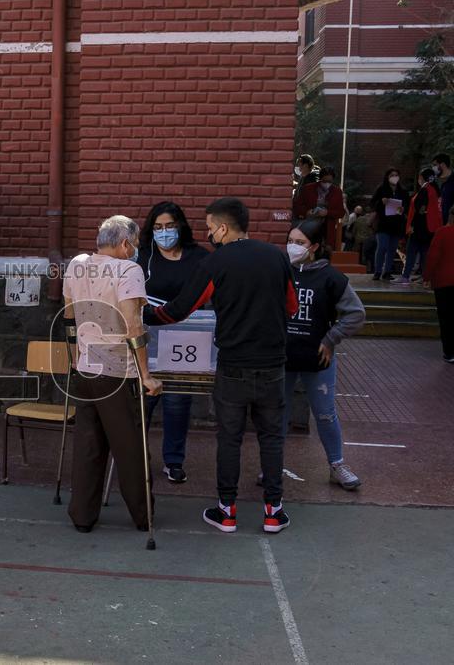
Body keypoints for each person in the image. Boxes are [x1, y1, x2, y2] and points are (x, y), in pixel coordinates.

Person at [146, 198, 299, 534]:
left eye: (210, 226)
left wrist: (143, 314)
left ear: (223, 227)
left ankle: (226, 511)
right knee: (272, 437)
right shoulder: (277, 257)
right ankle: (274, 511)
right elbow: (291, 306)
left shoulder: (216, 263)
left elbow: (180, 309)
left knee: (229, 438)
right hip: (273, 365)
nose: (208, 232)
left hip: (232, 366)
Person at [63, 215, 163, 534]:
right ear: (124, 244)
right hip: (118, 370)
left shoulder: (77, 264)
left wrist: (76, 356)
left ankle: (82, 515)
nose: (135, 250)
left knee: (88, 445)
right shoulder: (129, 269)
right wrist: (146, 374)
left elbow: (69, 316)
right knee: (130, 447)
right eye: (133, 244)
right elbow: (134, 325)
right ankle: (143, 515)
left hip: (85, 368)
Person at [284, 221, 366, 490]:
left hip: (318, 359)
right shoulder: (280, 270)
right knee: (276, 413)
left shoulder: (332, 278)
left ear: (315, 247)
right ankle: (271, 466)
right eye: (291, 240)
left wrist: (331, 339)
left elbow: (356, 314)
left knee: (325, 414)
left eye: (300, 243)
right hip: (282, 357)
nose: (293, 247)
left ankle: (337, 465)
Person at [136, 201, 209, 483]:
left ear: (180, 226)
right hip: (150, 338)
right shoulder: (143, 256)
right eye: (157, 228)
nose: (164, 232)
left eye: (169, 226)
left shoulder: (199, 257)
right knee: (144, 399)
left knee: (178, 402)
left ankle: (174, 461)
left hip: (185, 339)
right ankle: (136, 456)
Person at [396, 168, 443, 285]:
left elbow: (420, 209)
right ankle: (425, 277)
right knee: (424, 253)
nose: (418, 179)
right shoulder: (435, 190)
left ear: (423, 178)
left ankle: (406, 276)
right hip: (430, 227)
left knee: (411, 251)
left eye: (420, 177)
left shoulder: (425, 190)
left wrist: (412, 225)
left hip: (420, 227)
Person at [425, 206, 454, 363]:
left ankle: (449, 352)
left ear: (450, 216)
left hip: (443, 281)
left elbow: (433, 256)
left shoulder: (442, 233)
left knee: (445, 317)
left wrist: (427, 276)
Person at [370, 168, 410, 281]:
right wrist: (381, 202)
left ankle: (387, 271)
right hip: (383, 223)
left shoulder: (403, 191)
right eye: (392, 175)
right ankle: (377, 271)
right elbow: (372, 203)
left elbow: (407, 205)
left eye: (396, 175)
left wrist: (404, 209)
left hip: (397, 224)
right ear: (387, 177)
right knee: (382, 247)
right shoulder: (381, 189)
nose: (394, 177)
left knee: (392, 249)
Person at [293, 165, 346, 248]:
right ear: (320, 179)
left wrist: (327, 213)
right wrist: (306, 212)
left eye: (329, 181)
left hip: (327, 226)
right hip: (308, 221)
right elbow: (297, 206)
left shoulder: (337, 192)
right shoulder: (308, 189)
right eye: (324, 181)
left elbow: (341, 212)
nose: (327, 184)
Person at [292, 154, 321, 223]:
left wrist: (303, 212)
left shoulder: (312, 180)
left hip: (305, 218)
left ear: (305, 166)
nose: (297, 167)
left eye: (299, 165)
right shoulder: (304, 177)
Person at [433, 153, 453, 225]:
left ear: (442, 165)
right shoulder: (434, 181)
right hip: (434, 223)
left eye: (435, 165)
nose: (433, 168)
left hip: (448, 225)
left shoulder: (452, 181)